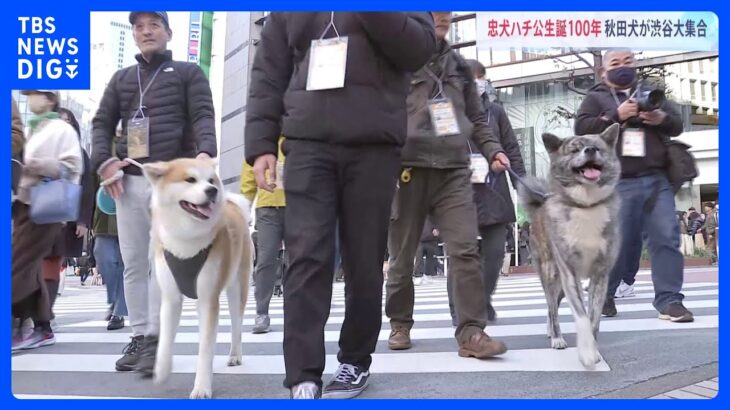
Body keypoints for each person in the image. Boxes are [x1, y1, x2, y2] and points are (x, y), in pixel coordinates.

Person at [245, 12, 437, 399]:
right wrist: (261, 144)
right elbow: (269, 71)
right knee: (305, 256)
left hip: (373, 143)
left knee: (364, 259)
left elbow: (417, 48)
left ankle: (354, 361)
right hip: (306, 140)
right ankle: (302, 374)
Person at [91, 11, 217, 375]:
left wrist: (206, 151)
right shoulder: (122, 79)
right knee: (133, 261)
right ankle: (141, 334)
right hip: (129, 178)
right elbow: (101, 124)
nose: (146, 32)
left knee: (158, 260)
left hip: (171, 181)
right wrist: (105, 163)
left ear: (168, 32)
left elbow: (203, 114)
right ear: (133, 34)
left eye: (153, 25)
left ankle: (156, 337)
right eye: (139, 27)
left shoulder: (189, 73)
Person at [386, 12, 509, 359]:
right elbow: (381, 110)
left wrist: (493, 149)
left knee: (465, 249)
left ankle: (471, 332)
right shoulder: (396, 57)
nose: (443, 15)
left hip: (454, 169)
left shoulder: (458, 66)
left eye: (447, 11)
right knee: (402, 257)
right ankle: (400, 322)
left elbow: (476, 118)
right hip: (407, 170)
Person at [575, 49, 693, 322]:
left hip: (657, 178)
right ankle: (605, 292)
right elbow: (581, 130)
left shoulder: (652, 92)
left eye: (628, 61)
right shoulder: (596, 97)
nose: (622, 67)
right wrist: (614, 115)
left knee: (666, 236)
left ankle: (670, 300)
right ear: (603, 71)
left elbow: (678, 124)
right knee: (620, 244)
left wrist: (661, 118)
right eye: (615, 63)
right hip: (617, 181)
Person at [12, 90, 83, 351]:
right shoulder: (36, 128)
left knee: (15, 264)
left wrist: (36, 166)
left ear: (50, 99)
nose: (31, 100)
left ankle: (26, 325)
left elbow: (72, 167)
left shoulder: (61, 130)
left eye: (35, 95)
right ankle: (41, 327)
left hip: (46, 204)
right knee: (28, 267)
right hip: (25, 203)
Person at [465, 58, 526, 322]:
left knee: (494, 254)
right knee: (462, 255)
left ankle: (483, 298)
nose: (479, 82)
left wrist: (522, 184)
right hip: (458, 192)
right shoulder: (444, 111)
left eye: (482, 77)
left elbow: (511, 147)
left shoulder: (497, 112)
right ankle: (461, 310)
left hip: (494, 189)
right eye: (472, 77)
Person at [42, 108, 95, 327]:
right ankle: (37, 314)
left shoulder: (80, 153)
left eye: (68, 122)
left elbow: (87, 188)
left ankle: (45, 314)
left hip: (66, 218)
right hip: (40, 214)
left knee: (52, 263)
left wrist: (83, 221)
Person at [241, 137, 286, 334]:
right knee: (266, 259)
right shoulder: (260, 142)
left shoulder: (297, 136)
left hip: (298, 206)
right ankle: (262, 312)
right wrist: (244, 209)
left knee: (298, 260)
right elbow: (248, 177)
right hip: (267, 208)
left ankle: (297, 310)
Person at [413, 219, 439, 286]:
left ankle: (429, 275)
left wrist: (437, 228)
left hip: (431, 238)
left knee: (431, 258)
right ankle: (418, 275)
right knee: (419, 257)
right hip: (418, 238)